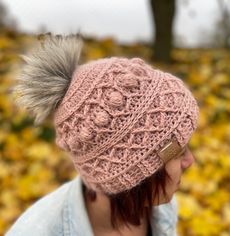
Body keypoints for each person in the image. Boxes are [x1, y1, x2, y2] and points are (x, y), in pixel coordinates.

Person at [6, 34, 199, 236]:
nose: (189, 160)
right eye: (178, 151)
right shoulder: (36, 231)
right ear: (130, 170)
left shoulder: (160, 206)